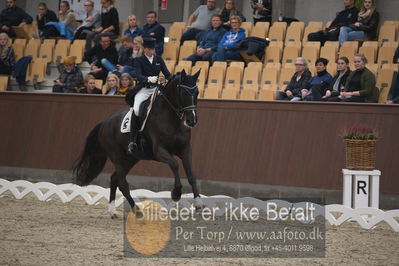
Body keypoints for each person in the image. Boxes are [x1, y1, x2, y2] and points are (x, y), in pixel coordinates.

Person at [126, 37, 172, 155]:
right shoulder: (139, 60)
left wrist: (173, 79)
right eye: (149, 49)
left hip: (156, 89)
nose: (152, 51)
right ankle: (132, 141)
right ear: (145, 49)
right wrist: (147, 79)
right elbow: (137, 74)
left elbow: (166, 74)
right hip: (144, 89)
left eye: (153, 49)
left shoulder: (158, 59)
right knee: (136, 110)